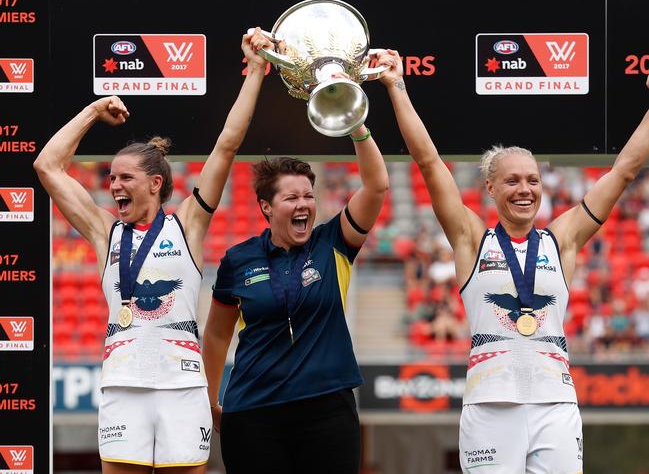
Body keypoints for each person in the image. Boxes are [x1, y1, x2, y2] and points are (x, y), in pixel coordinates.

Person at [378, 48, 649, 473]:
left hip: (556, 405)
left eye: (533, 180)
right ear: (490, 187)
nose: (525, 189)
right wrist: (396, 86)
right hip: (490, 404)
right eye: (512, 180)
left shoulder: (562, 240)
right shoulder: (471, 240)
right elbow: (428, 162)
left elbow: (624, 172)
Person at [34, 29, 270, 473]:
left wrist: (255, 69)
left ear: (155, 183)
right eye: (111, 177)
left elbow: (227, 144)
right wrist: (92, 110)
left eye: (124, 177)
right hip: (123, 384)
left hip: (183, 386)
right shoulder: (106, 232)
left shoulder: (187, 224)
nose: (113, 185)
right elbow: (47, 166)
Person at [203, 125, 389, 473]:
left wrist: (358, 129)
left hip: (328, 410)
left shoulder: (333, 241)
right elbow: (216, 334)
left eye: (309, 196)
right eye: (292, 198)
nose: (303, 204)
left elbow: (377, 186)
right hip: (252, 413)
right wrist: (210, 399)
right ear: (266, 207)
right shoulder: (238, 259)